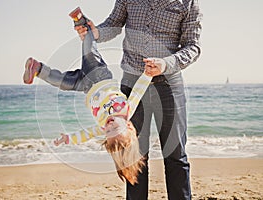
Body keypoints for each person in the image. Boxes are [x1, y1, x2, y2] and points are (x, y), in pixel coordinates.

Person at [75, 1, 202, 199]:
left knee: (175, 155)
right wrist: (96, 33)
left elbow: (193, 47)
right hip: (131, 85)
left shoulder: (188, 3)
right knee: (134, 154)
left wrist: (165, 64)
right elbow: (114, 23)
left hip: (169, 85)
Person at [23, 10, 157, 185]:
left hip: (85, 86)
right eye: (114, 127)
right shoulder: (126, 109)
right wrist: (148, 75)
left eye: (108, 132)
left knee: (62, 82)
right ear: (129, 126)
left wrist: (68, 139)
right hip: (99, 76)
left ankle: (37, 68)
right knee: (89, 51)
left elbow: (85, 134)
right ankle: (82, 22)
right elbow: (138, 91)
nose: (108, 126)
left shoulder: (102, 127)